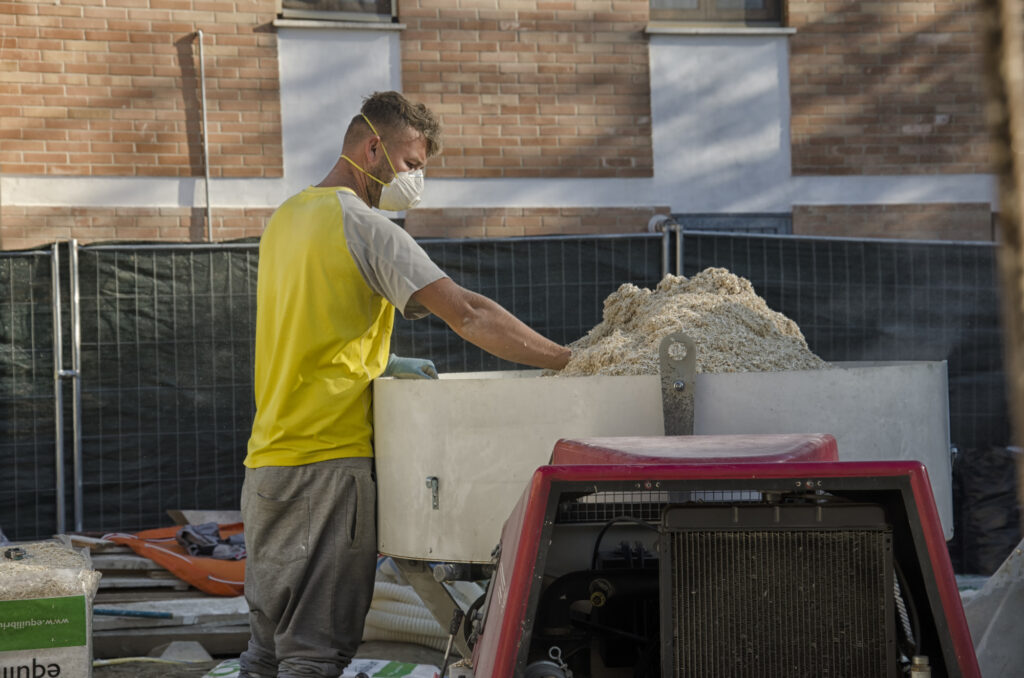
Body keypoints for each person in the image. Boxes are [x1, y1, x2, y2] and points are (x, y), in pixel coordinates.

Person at [238, 91, 570, 678]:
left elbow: (309, 338)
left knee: (266, 654)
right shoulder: (364, 226)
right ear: (373, 147)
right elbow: (467, 312)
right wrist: (569, 360)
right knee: (313, 658)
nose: (416, 180)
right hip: (329, 472)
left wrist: (385, 364)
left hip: (268, 471)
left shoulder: (285, 219)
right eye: (413, 164)